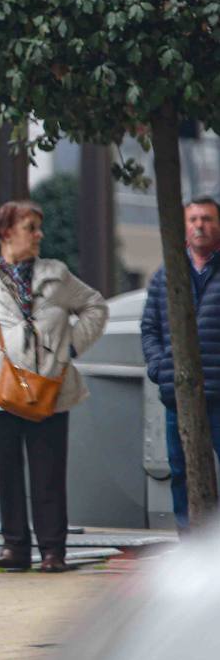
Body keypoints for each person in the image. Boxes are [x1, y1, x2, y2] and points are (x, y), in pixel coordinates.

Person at [0, 200, 107, 573]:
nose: (39, 235)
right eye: (30, 227)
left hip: (49, 389)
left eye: (38, 227)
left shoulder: (56, 275)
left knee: (49, 474)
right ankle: (15, 548)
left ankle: (53, 551)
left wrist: (70, 347)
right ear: (5, 232)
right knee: (6, 473)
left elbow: (95, 307)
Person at [141, 196, 220, 533]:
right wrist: (161, 368)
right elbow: (149, 328)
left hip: (219, 392)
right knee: (181, 470)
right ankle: (190, 543)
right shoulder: (166, 275)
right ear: (184, 228)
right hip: (179, 393)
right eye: (193, 220)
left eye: (207, 219)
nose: (200, 225)